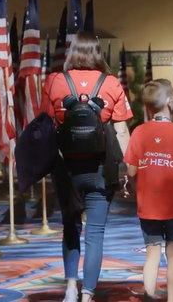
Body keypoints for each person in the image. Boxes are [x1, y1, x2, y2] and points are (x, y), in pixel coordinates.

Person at [41, 31, 132, 302]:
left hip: (66, 170)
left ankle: (70, 287)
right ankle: (88, 293)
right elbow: (122, 131)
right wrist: (127, 170)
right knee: (95, 232)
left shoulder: (55, 81)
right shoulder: (112, 83)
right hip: (101, 170)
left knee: (70, 227)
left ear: (71, 52)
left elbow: (45, 127)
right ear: (98, 53)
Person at [124, 79, 173, 302]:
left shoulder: (138, 132)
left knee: (151, 253)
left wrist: (131, 185)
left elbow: (131, 170)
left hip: (148, 206)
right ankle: (171, 299)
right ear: (169, 102)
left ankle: (148, 296)